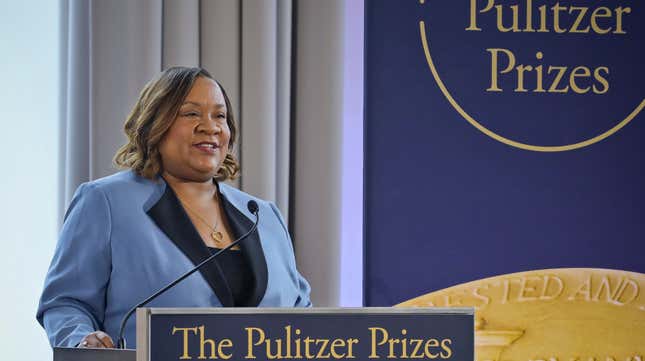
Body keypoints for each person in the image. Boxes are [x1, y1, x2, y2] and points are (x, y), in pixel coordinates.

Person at [37, 67, 312, 349]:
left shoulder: (263, 216)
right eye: (191, 113)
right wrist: (81, 340)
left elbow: (303, 314)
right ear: (155, 124)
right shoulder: (106, 202)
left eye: (220, 116)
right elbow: (65, 303)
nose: (210, 126)